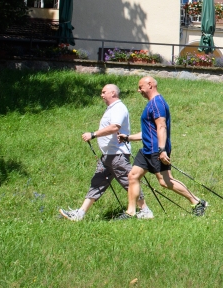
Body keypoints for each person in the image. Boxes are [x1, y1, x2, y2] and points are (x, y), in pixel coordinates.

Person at [117, 76, 208, 219]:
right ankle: (131, 212)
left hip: (156, 149)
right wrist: (128, 138)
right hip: (147, 149)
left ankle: (197, 202)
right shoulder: (152, 104)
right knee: (133, 176)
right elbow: (149, 132)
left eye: (141, 87)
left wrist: (162, 150)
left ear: (150, 85)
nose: (138, 90)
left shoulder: (157, 103)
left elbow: (161, 126)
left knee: (165, 181)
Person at [60, 84, 153, 221]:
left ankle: (145, 211)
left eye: (104, 92)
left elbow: (115, 127)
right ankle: (80, 213)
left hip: (117, 154)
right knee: (97, 182)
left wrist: (93, 134)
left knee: (129, 182)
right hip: (108, 156)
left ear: (113, 93)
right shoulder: (112, 109)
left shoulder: (119, 108)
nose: (101, 95)